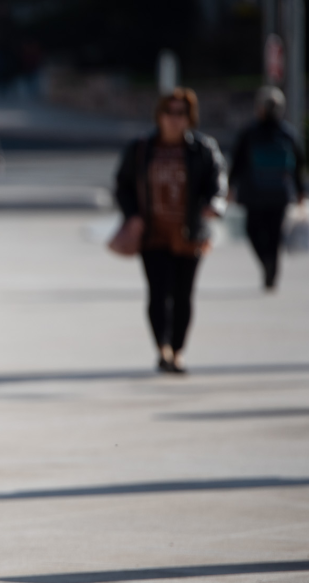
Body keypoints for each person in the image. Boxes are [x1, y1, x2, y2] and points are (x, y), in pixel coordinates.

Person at [115, 88, 226, 374]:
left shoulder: (203, 149)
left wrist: (214, 204)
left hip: (189, 233)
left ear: (190, 118)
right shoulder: (142, 148)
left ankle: (177, 351)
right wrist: (133, 216)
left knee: (183, 294)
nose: (174, 119)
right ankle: (161, 348)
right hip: (153, 233)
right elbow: (123, 185)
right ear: (159, 116)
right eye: (169, 112)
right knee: (157, 292)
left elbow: (217, 182)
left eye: (181, 114)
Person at [228, 86, 307, 291]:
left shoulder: (250, 132)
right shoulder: (287, 133)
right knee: (274, 234)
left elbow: (236, 162)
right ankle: (272, 267)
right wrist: (300, 191)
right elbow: (298, 166)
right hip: (279, 192)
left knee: (253, 231)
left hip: (254, 193)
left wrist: (230, 187)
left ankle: (267, 264)